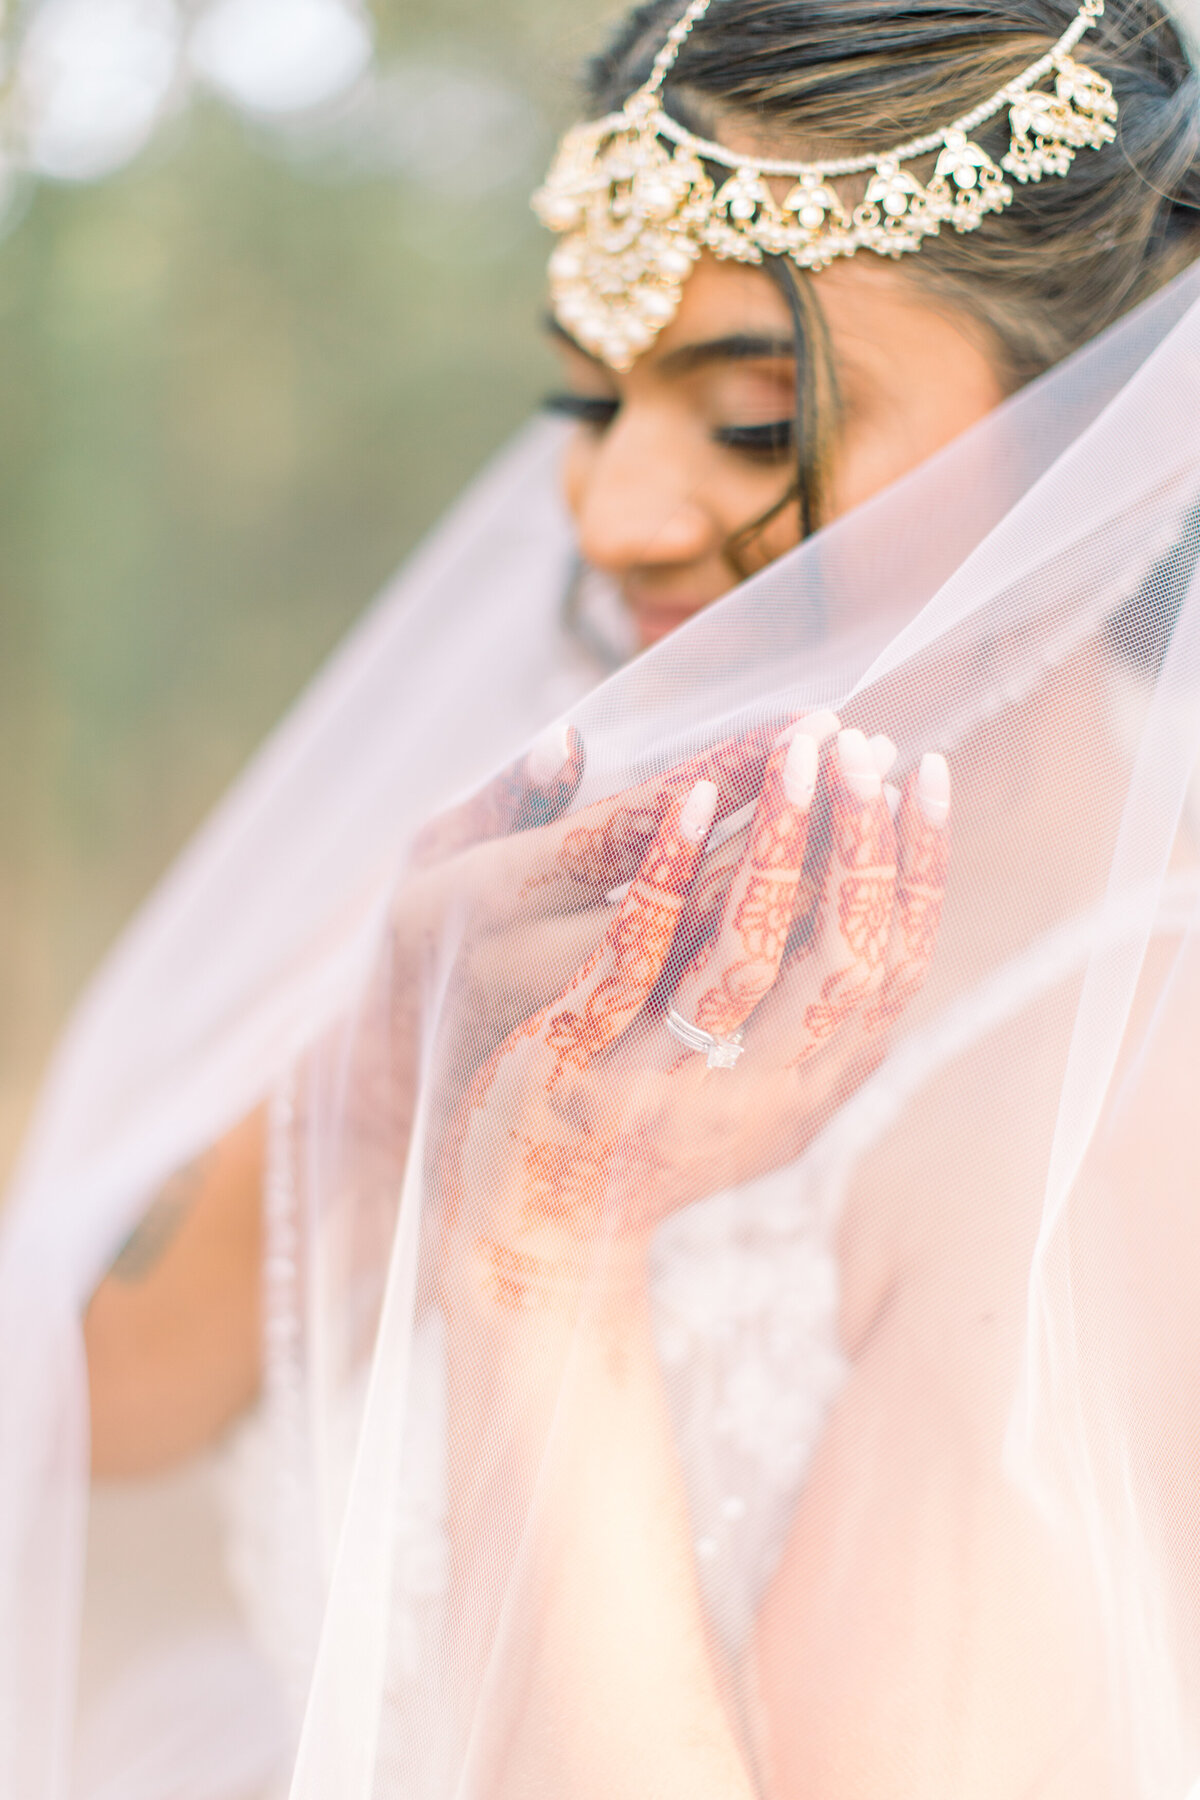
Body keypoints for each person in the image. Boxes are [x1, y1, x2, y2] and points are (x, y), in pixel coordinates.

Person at [3, 0, 1200, 1795]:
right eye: (589, 391)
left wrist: (544, 1249)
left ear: (1101, 444)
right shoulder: (556, 839)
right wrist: (378, 1099)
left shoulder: (1133, 1093)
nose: (609, 508)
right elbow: (83, 1399)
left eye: (752, 414)